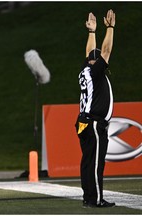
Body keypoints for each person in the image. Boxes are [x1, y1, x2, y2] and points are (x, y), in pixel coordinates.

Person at [75, 10, 116, 208]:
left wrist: (92, 33)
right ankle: (96, 199)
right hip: (93, 122)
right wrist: (110, 28)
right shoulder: (96, 70)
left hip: (83, 122)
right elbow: (105, 52)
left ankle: (88, 197)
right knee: (96, 164)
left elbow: (90, 53)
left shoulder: (86, 69)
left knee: (87, 162)